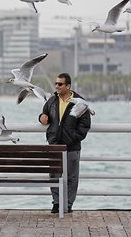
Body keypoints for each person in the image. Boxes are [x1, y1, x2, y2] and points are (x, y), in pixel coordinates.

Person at [39, 73, 91, 214]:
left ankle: (67, 204)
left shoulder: (80, 101)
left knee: (71, 177)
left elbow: (85, 125)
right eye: (56, 83)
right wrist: (42, 118)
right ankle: (57, 204)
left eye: (60, 84)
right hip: (54, 144)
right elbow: (44, 114)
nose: (57, 86)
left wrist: (74, 137)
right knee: (54, 176)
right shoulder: (52, 100)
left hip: (72, 146)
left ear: (68, 86)